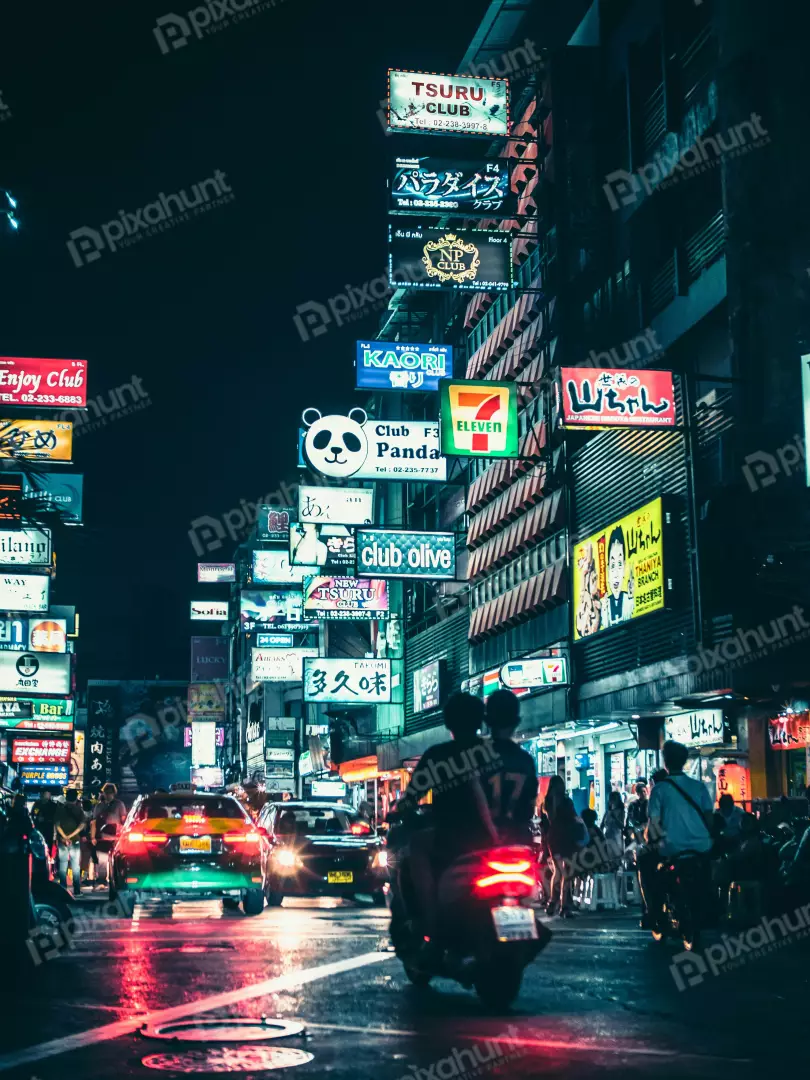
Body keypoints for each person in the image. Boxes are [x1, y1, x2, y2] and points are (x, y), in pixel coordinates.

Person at [397, 693, 499, 939]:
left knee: (415, 848)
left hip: (449, 837)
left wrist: (403, 811)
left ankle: (430, 919)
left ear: (448, 723)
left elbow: (412, 796)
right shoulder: (493, 751)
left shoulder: (438, 755)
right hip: (493, 837)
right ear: (479, 721)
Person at [638, 740, 714, 929]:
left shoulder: (659, 789)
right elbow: (710, 821)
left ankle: (653, 910)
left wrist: (648, 839)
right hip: (702, 846)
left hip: (672, 847)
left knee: (644, 859)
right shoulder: (699, 787)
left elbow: (653, 827)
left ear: (666, 763)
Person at [483, 689, 538, 845]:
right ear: (517, 721)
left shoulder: (475, 758)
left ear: (487, 720)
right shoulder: (525, 761)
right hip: (519, 841)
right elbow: (530, 805)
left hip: (482, 843)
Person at [90, 783, 127, 887]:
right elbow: (94, 822)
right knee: (101, 860)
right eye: (106, 793)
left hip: (115, 837)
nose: (108, 795)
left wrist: (121, 835)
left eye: (110, 793)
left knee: (115, 861)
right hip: (102, 837)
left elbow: (123, 821)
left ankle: (114, 880)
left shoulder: (119, 804)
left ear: (114, 793)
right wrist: (93, 837)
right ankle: (102, 881)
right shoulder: (99, 806)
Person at [600, 525, 635, 629]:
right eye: (613, 565)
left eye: (619, 564)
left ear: (624, 567)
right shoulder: (605, 605)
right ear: (607, 569)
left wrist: (631, 596)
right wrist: (604, 609)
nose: (615, 574)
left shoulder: (628, 598)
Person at [55, 789, 86, 897]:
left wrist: (64, 837)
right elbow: (82, 825)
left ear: (66, 797)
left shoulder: (59, 809)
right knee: (75, 866)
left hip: (62, 841)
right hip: (75, 840)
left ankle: (63, 889)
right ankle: (77, 890)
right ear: (76, 798)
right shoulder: (79, 810)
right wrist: (71, 836)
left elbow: (57, 825)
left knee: (62, 865)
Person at [601, 790, 626, 866]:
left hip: (617, 838)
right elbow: (602, 825)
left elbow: (622, 826)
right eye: (612, 798)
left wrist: (615, 818)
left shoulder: (621, 811)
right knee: (609, 859)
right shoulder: (607, 812)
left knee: (617, 860)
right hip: (608, 837)